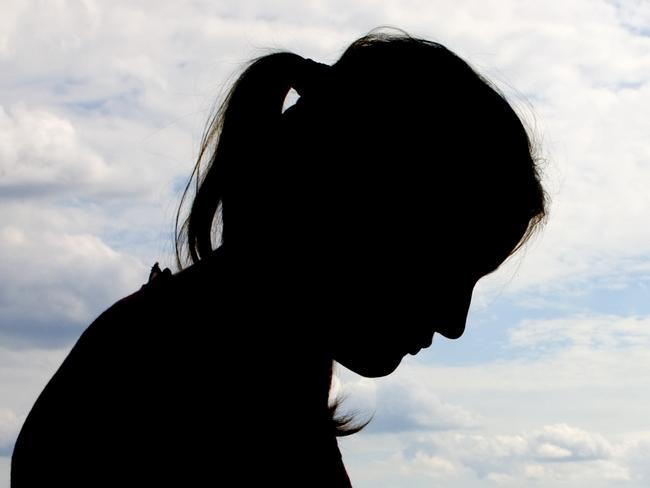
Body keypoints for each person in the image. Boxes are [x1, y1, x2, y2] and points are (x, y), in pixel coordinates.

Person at [11, 28, 547, 487]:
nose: (455, 322)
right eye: (445, 272)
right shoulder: (207, 398)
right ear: (356, 215)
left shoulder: (210, 360)